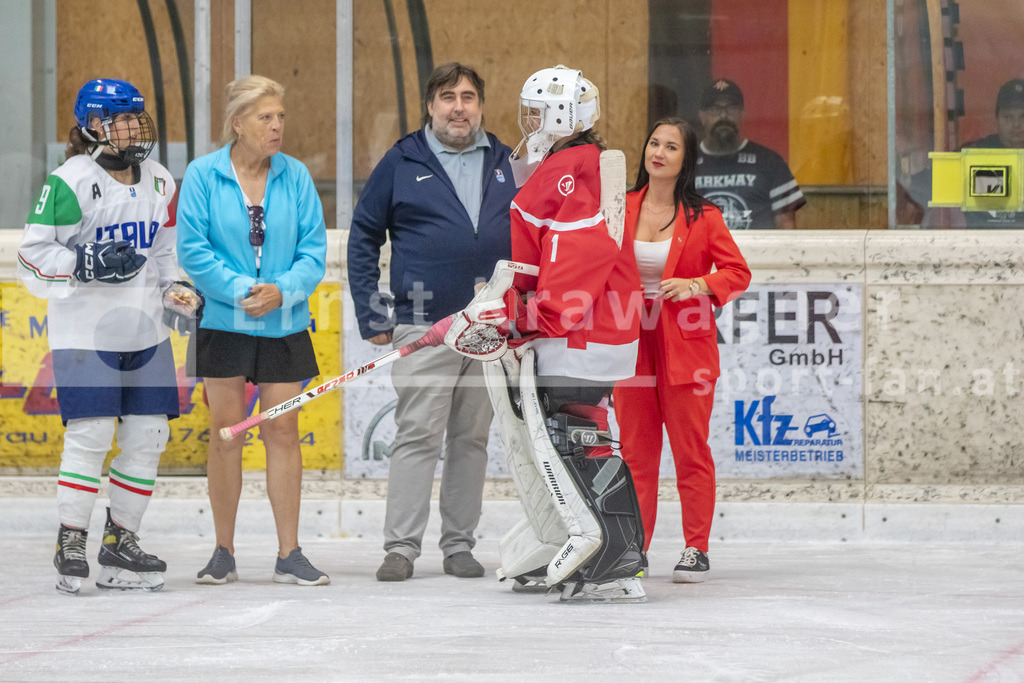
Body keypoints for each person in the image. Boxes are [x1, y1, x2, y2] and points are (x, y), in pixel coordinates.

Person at [448, 65, 648, 602]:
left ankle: (610, 551)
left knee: (570, 437)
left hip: (578, 333)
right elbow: (541, 259)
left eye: (536, 111)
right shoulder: (568, 165)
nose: (528, 122)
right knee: (572, 434)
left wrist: (527, 316)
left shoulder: (570, 169)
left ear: (561, 115)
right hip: (581, 330)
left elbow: (576, 258)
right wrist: (509, 305)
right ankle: (583, 541)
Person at [18, 78, 188, 595]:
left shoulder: (160, 181)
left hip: (146, 333)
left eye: (137, 117)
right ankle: (71, 539)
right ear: (93, 125)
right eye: (121, 119)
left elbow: (164, 252)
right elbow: (32, 255)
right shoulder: (70, 181)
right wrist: (83, 262)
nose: (134, 127)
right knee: (90, 438)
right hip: (85, 335)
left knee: (147, 439)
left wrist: (178, 289)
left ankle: (121, 542)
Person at [347, 62, 516, 582]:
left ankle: (460, 545)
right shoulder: (402, 160)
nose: (458, 107)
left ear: (481, 105)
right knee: (418, 433)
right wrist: (371, 309)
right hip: (424, 324)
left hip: (491, 326)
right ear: (430, 105)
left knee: (471, 438)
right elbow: (363, 237)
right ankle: (400, 547)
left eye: (468, 97)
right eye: (448, 97)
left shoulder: (510, 161)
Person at [176, 75, 329, 586]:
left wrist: (282, 290)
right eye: (266, 117)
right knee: (226, 434)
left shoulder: (297, 175)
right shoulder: (202, 175)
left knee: (282, 430)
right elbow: (193, 251)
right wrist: (245, 289)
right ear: (237, 123)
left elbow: (314, 251)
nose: (277, 126)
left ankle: (290, 553)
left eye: (280, 116)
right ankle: (224, 550)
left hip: (283, 322)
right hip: (225, 320)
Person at [613, 117, 751, 583]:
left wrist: (695, 284)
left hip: (685, 346)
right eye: (654, 142)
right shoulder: (620, 207)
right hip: (631, 344)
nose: (659, 152)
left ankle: (696, 547)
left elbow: (737, 273)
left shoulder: (705, 217)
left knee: (691, 451)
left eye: (671, 147)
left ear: (685, 159)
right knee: (635, 454)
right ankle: (635, 548)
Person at [695, 78, 806, 229]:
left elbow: (787, 227)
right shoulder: (684, 163)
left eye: (731, 108)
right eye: (715, 109)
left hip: (756, 253)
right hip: (701, 252)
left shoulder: (770, 162)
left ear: (743, 114)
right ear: (702, 116)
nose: (723, 116)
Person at [960, 78, 1024, 228]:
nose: (1016, 125)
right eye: (1007, 117)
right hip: (983, 243)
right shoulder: (977, 153)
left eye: (1023, 116)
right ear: (997, 119)